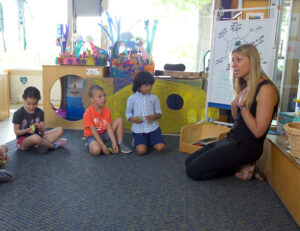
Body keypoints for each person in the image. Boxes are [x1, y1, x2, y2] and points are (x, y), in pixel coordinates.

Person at [185, 44, 279, 181]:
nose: (234, 65)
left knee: (193, 171)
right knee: (189, 161)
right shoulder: (248, 85)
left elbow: (258, 132)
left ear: (252, 61)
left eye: (239, 60)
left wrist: (243, 107)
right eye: (233, 60)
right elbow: (238, 121)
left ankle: (243, 166)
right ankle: (242, 166)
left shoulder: (266, 89)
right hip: (233, 138)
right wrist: (235, 106)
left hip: (247, 147)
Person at [13, 86, 68, 154]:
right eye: (29, 104)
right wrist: (27, 130)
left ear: (38, 101)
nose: (32, 107)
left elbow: (43, 131)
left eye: (35, 104)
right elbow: (17, 132)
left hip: (39, 137)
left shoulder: (40, 112)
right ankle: (52, 146)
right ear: (23, 99)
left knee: (60, 130)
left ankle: (39, 146)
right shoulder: (18, 113)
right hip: (23, 141)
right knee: (36, 138)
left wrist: (40, 127)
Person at [83, 85, 132, 155]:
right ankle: (91, 144)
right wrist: (102, 145)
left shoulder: (107, 111)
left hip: (103, 134)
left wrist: (114, 142)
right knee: (96, 151)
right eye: (100, 97)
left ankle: (121, 143)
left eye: (104, 95)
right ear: (92, 99)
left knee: (119, 120)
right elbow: (93, 131)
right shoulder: (88, 113)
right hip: (92, 136)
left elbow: (109, 128)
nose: (103, 98)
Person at [126, 71, 166, 155]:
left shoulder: (154, 98)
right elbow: (128, 113)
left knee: (161, 148)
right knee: (141, 151)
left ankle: (150, 140)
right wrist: (133, 119)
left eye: (151, 85)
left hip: (153, 129)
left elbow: (159, 113)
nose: (149, 88)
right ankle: (139, 141)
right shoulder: (131, 98)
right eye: (146, 85)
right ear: (138, 86)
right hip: (138, 130)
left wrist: (153, 116)